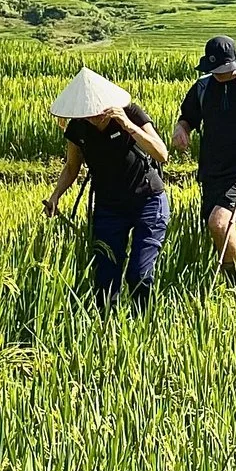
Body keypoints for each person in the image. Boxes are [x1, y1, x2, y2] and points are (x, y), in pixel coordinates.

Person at [45, 65, 171, 307]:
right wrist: (55, 196)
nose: (94, 116)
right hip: (108, 207)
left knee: (139, 274)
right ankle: (106, 328)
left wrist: (127, 126)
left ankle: (141, 324)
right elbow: (72, 167)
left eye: (98, 111)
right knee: (105, 279)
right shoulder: (77, 128)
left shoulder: (131, 113)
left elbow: (161, 153)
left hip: (148, 201)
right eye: (87, 112)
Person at [172, 34, 236, 287]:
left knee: (220, 222)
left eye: (223, 69)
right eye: (214, 70)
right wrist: (181, 129)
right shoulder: (203, 87)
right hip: (211, 168)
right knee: (217, 227)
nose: (218, 74)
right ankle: (233, 279)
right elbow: (188, 117)